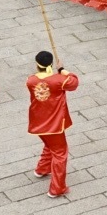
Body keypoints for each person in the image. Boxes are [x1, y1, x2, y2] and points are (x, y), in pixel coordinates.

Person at [28, 51, 80, 199]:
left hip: (38, 122)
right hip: (54, 124)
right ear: (50, 64)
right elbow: (74, 82)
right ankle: (57, 188)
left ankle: (42, 168)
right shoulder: (59, 80)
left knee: (50, 145)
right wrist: (63, 70)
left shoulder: (30, 80)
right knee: (60, 153)